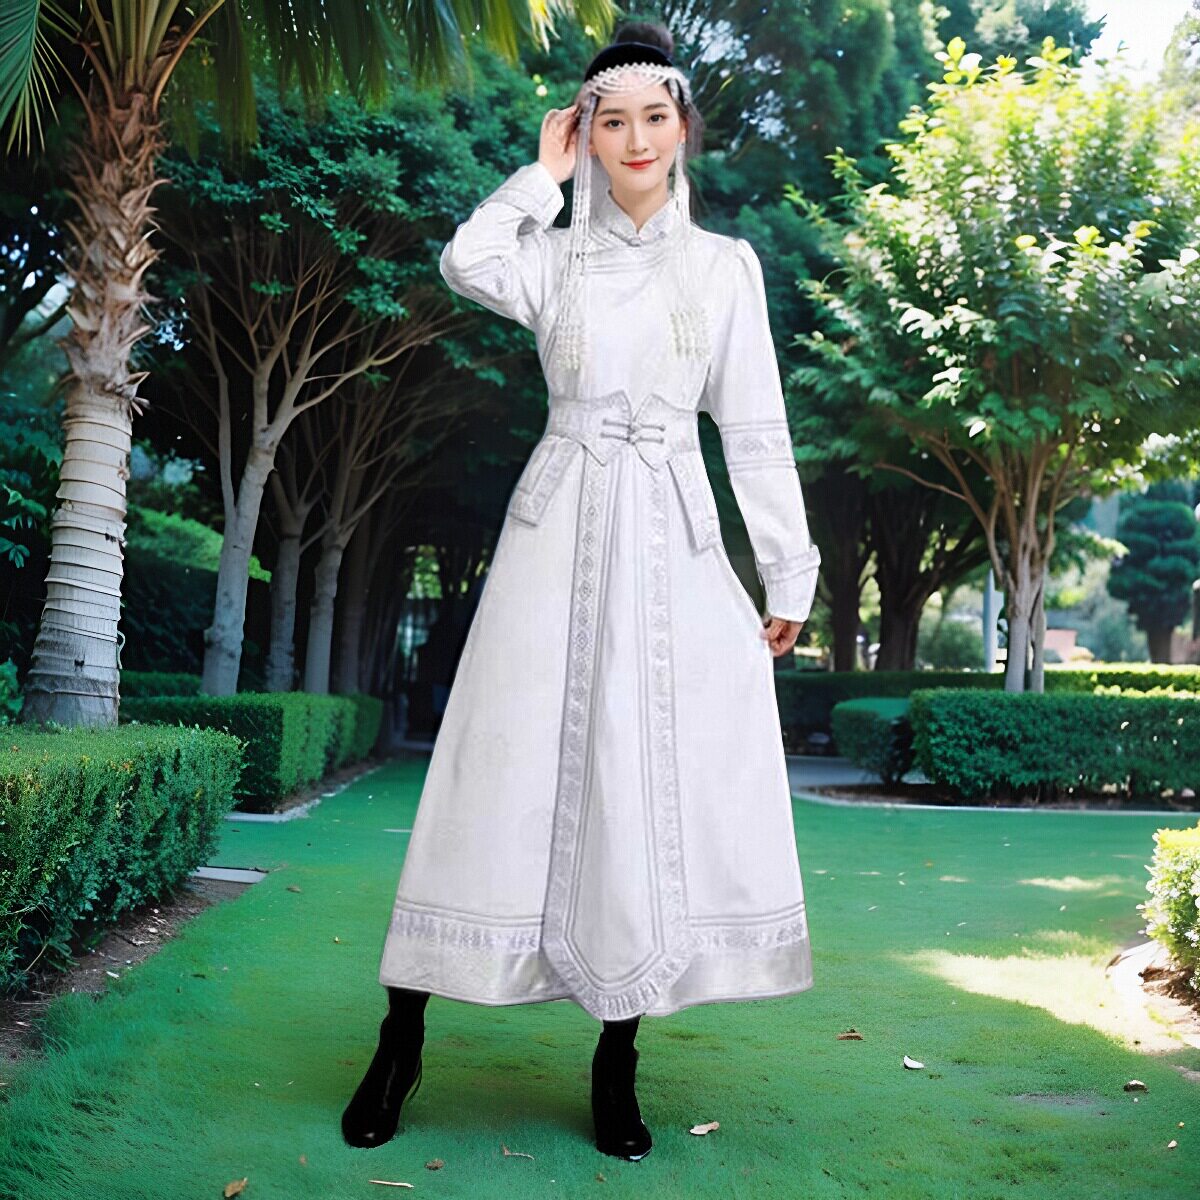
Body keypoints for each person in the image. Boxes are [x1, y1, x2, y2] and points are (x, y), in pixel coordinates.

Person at [342, 20, 821, 1163]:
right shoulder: (550, 257)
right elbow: (465, 261)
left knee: (641, 788)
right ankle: (401, 1036)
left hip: (676, 546)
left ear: (682, 128)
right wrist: (537, 179)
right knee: (491, 768)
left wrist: (787, 565)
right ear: (587, 133)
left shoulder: (727, 269)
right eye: (612, 121)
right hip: (552, 536)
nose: (636, 138)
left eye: (655, 116)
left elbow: (755, 428)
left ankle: (617, 1057)